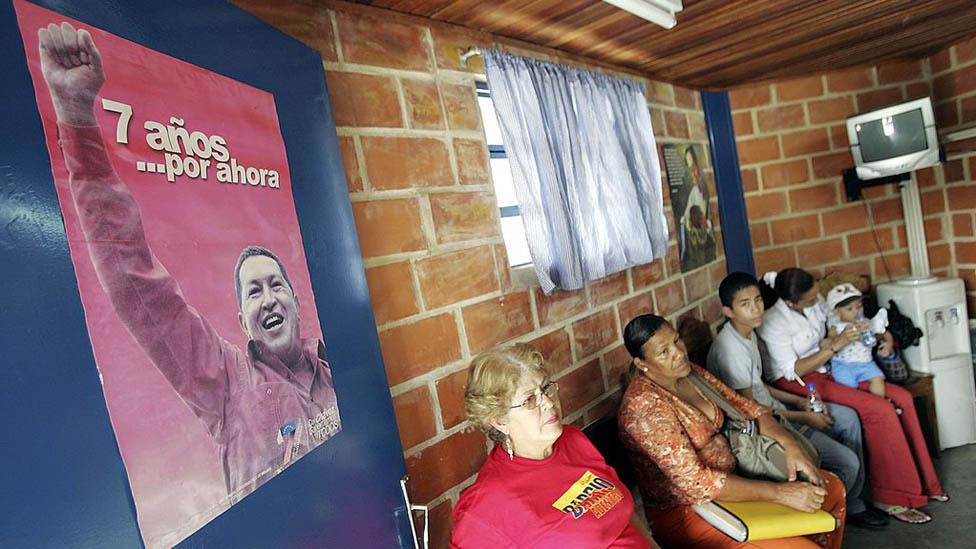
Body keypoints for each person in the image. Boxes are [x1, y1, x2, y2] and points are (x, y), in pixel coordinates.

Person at [38, 22, 339, 497]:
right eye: (253, 290)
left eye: (276, 284)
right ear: (242, 318)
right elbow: (138, 285)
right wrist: (76, 116)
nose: (268, 297)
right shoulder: (225, 383)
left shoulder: (332, 364)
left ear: (297, 299)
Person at [619, 314, 847, 549]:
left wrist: (792, 448)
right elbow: (698, 483)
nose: (678, 353)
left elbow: (750, 409)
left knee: (831, 491)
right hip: (690, 510)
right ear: (641, 363)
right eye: (664, 352)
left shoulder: (690, 373)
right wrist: (781, 493)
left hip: (739, 478)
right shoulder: (644, 408)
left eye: (676, 341)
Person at [757, 268, 947, 524]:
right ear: (792, 302)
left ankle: (925, 483)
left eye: (816, 295)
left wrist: (879, 333)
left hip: (835, 367)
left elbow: (837, 317)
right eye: (811, 299)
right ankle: (892, 496)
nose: (817, 301)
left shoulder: (814, 301)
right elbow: (794, 371)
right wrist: (835, 345)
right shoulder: (774, 322)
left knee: (902, 397)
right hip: (802, 382)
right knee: (878, 410)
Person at [707, 272, 888, 529]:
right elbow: (751, 411)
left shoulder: (748, 334)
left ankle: (852, 502)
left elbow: (761, 387)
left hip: (778, 410)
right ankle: (822, 519)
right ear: (728, 311)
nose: (757, 309)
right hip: (766, 428)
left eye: (758, 300)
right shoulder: (731, 350)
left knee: (848, 419)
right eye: (745, 304)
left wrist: (800, 402)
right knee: (848, 462)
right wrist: (804, 416)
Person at [451, 344, 657, 548]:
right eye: (530, 400)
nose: (548, 403)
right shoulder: (485, 507)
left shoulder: (572, 439)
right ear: (499, 420)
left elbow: (623, 514)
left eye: (546, 388)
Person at [825, 283, 890, 398]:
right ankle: (856, 403)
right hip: (844, 364)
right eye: (849, 309)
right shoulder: (837, 326)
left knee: (878, 379)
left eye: (859, 306)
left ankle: (879, 402)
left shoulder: (866, 322)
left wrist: (887, 343)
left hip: (866, 362)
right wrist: (834, 339)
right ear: (836, 312)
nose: (856, 311)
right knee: (847, 386)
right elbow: (831, 341)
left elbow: (880, 335)